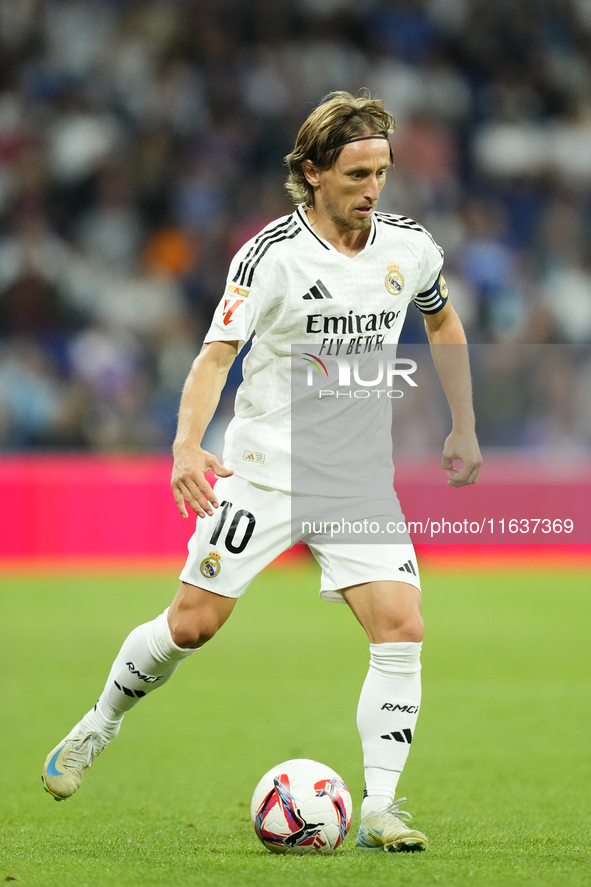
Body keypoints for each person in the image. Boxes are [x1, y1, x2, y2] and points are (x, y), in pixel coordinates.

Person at [43, 92, 482, 853]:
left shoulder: (408, 247)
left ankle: (378, 805)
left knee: (402, 626)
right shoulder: (270, 255)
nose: (372, 189)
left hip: (355, 482)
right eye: (355, 174)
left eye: (380, 171)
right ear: (312, 172)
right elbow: (215, 356)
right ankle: (98, 723)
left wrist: (464, 422)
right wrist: (186, 445)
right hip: (263, 474)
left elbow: (442, 319)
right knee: (191, 626)